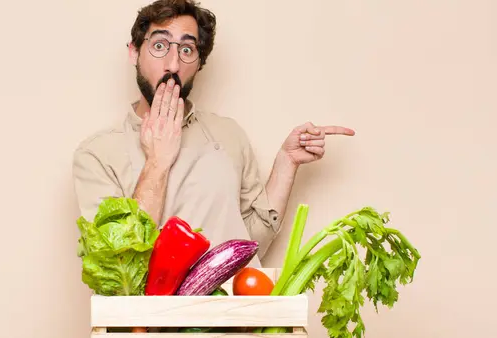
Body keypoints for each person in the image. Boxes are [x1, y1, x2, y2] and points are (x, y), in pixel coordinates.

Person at [72, 0, 355, 267]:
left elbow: (248, 247)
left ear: (199, 62)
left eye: (186, 50)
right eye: (159, 45)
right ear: (134, 51)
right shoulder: (96, 155)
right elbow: (117, 263)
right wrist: (157, 161)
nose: (173, 65)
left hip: (229, 317)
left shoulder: (229, 135)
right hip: (147, 320)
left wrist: (287, 162)